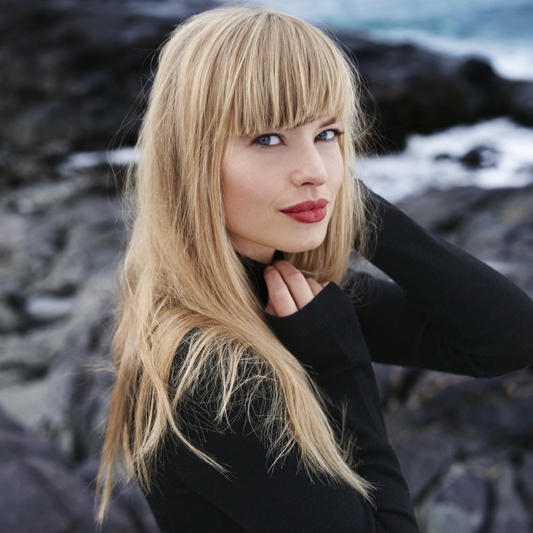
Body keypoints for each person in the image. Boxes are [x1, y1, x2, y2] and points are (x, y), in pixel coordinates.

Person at [96, 6, 533, 532]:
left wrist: (352, 209)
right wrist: (342, 369)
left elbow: (507, 338)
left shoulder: (274, 287)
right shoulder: (212, 374)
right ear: (190, 161)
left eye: (327, 133)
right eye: (267, 138)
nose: (314, 172)